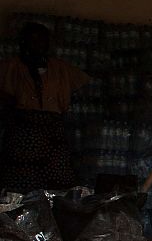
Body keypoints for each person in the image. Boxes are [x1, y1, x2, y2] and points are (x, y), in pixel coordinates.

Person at [0, 23, 90, 194]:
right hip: (23, 130)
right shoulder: (12, 67)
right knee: (21, 182)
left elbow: (84, 81)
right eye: (32, 40)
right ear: (23, 42)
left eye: (42, 40)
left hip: (51, 129)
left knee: (57, 179)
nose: (37, 44)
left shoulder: (60, 68)